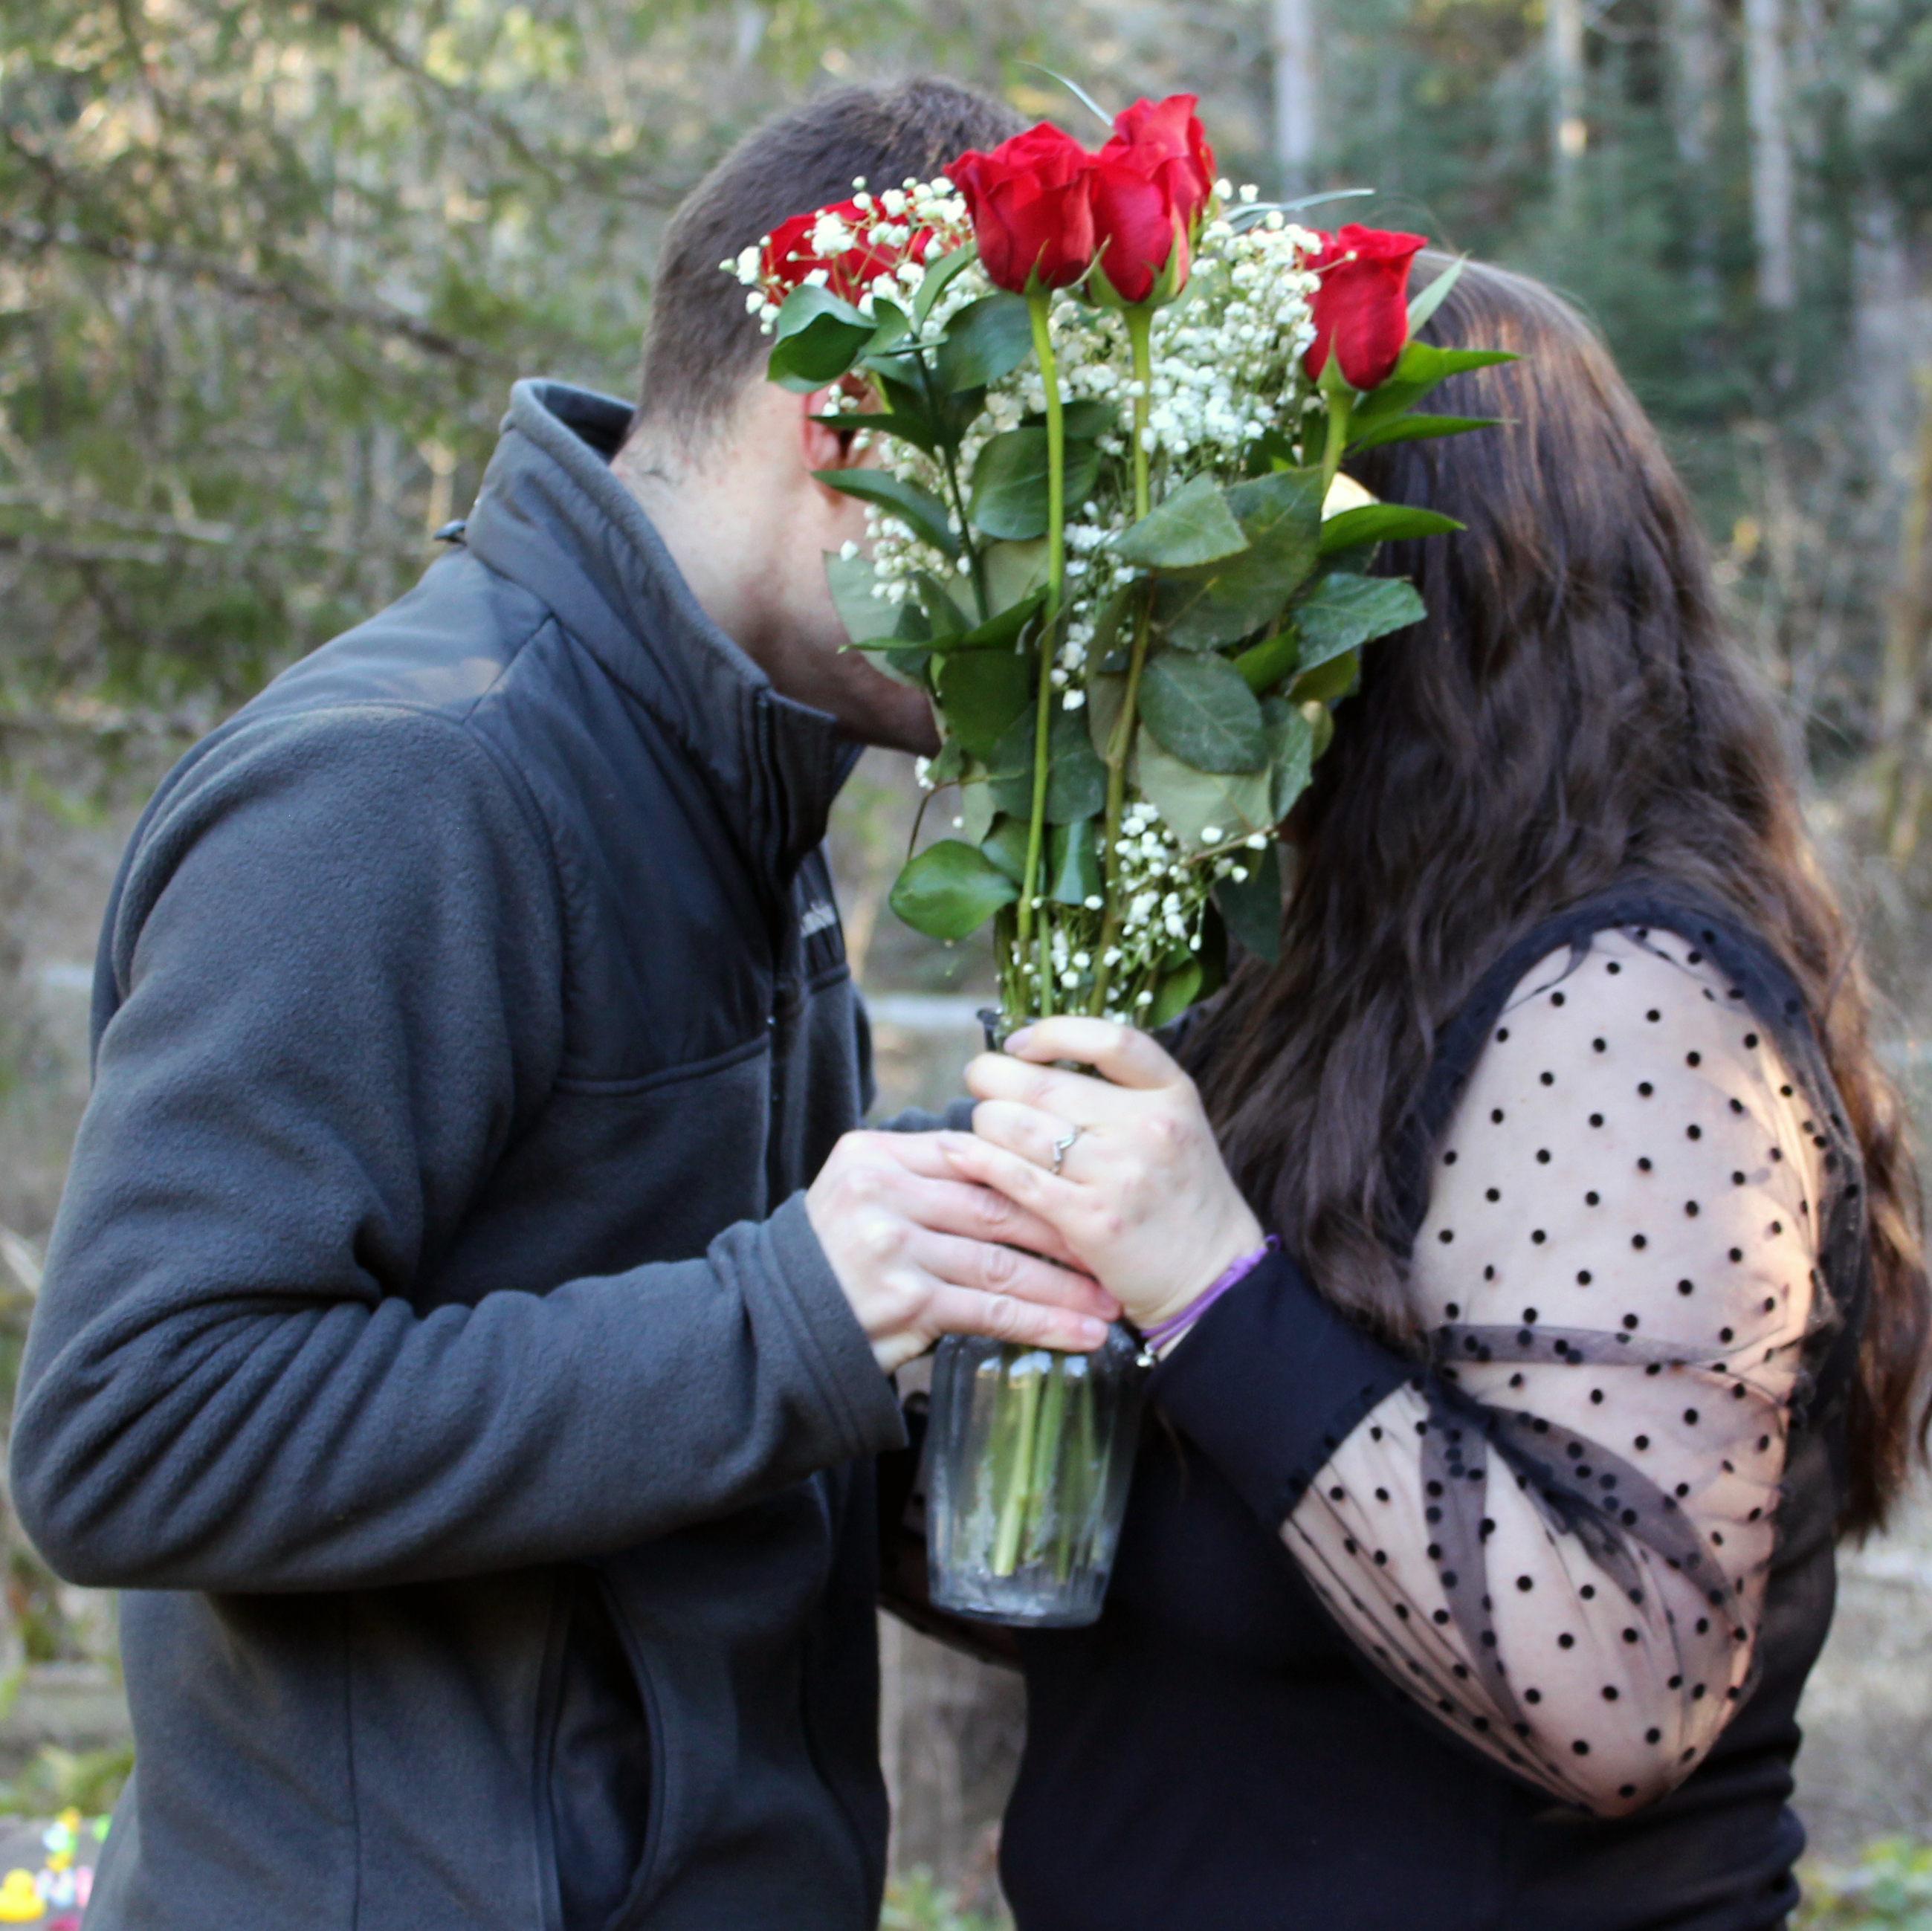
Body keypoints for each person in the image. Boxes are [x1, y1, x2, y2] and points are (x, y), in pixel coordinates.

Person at [5, 79, 1116, 1931]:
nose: (1066, 585)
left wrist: (975, 1308)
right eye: (1032, 495)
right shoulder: (414, 789)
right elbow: (129, 1430)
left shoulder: (736, 784)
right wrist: (798, 1318)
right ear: (846, 433)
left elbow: (685, 1382)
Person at [934, 259, 1932, 1931]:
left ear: (1408, 597)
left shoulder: (1632, 1008)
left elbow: (1621, 1683)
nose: (1187, 622)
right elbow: (1206, 1585)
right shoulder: (1301, 985)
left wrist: (1204, 1283)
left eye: (1242, 559)